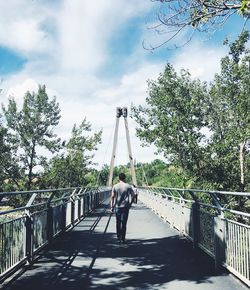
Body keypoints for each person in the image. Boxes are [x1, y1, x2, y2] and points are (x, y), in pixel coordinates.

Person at [110, 172, 135, 244]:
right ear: (124, 178)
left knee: (118, 222)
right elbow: (133, 195)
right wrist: (130, 203)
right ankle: (123, 238)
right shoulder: (128, 186)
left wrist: (111, 206)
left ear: (119, 178)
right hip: (125, 207)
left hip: (118, 207)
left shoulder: (115, 186)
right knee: (124, 223)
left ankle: (118, 237)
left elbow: (112, 196)